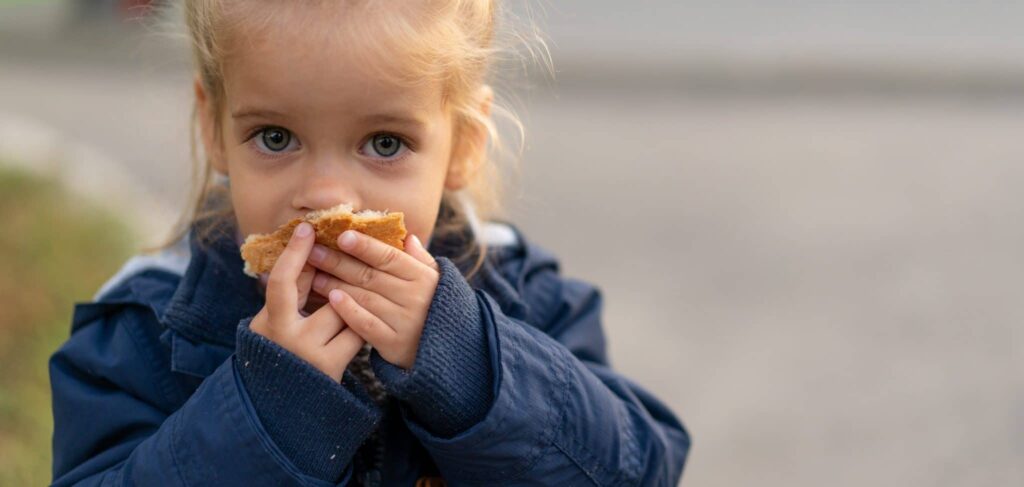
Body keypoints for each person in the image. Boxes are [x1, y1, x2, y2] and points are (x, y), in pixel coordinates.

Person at [49, 1, 690, 485]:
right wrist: (266, 409)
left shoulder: (521, 294)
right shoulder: (147, 329)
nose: (328, 198)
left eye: (385, 144)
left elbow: (641, 469)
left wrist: (471, 364)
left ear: (463, 144)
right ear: (214, 128)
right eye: (275, 137)